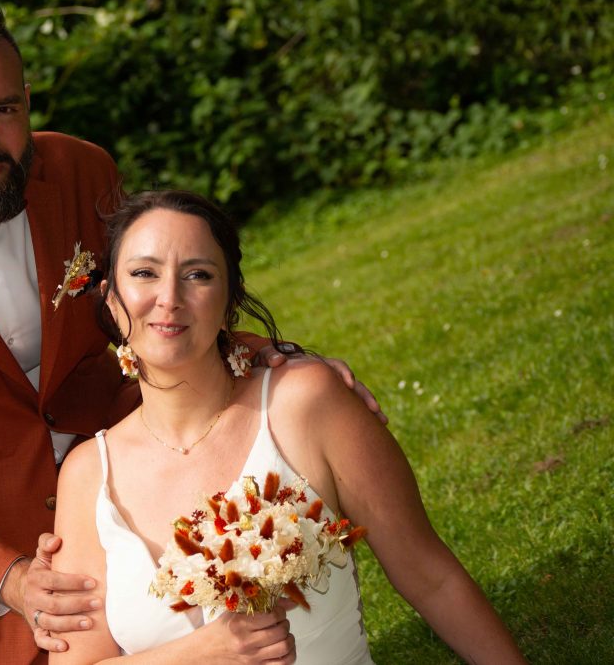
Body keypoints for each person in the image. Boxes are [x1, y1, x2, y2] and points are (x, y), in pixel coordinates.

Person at [0, 0, 382, 664]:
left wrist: (272, 357)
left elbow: (151, 307)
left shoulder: (78, 171)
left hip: (144, 500)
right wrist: (8, 577)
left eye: (5, 109)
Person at [50, 190, 527, 663]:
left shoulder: (303, 404)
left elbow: (431, 577)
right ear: (112, 300)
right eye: (144, 273)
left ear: (229, 299)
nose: (169, 298)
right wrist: (205, 652)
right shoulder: (89, 474)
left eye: (198, 274)